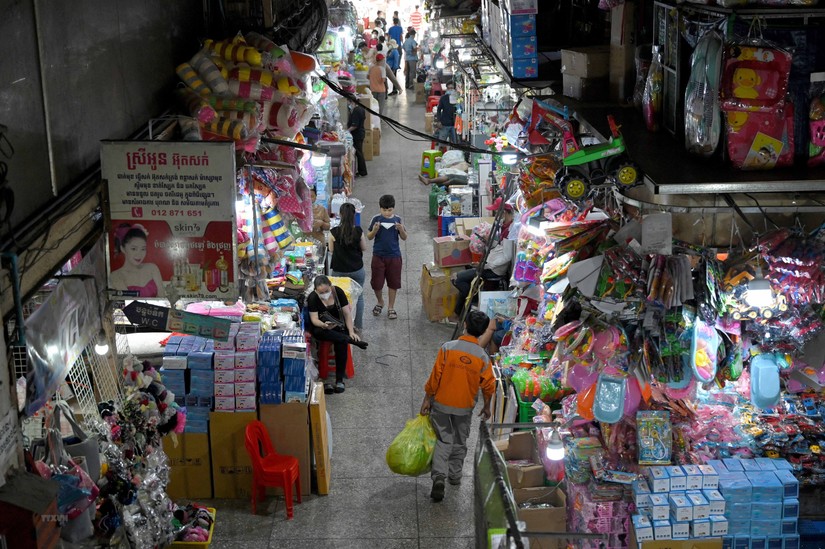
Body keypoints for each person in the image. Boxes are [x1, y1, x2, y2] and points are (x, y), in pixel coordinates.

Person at [420, 309, 495, 502]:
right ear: (482, 331)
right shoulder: (483, 357)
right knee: (460, 440)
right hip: (464, 407)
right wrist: (487, 406)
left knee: (444, 439)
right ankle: (455, 475)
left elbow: (435, 377)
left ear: (465, 325)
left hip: (442, 404)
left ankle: (439, 476)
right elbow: (489, 386)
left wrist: (427, 399)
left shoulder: (448, 347)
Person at [452, 197, 515, 318]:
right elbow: (499, 248)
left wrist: (487, 265)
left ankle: (468, 306)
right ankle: (463, 309)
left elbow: (507, 256)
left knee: (459, 279)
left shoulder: (509, 231)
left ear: (504, 212)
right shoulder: (503, 225)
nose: (496, 214)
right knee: (460, 277)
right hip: (489, 263)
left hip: (494, 270)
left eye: (497, 212)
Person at [306, 275, 368, 394]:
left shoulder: (338, 292)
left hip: (339, 326)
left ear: (331, 286)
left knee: (341, 343)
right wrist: (324, 325)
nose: (325, 294)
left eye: (327, 291)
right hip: (322, 328)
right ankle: (349, 340)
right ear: (316, 290)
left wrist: (351, 331)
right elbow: (314, 319)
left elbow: (347, 314)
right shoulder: (313, 298)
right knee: (324, 333)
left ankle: (339, 379)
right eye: (321, 292)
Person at [367, 194, 406, 320]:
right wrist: (375, 230)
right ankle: (380, 302)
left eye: (389, 210)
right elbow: (369, 236)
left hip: (394, 256)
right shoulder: (376, 219)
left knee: (393, 283)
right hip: (378, 255)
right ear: (380, 208)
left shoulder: (398, 220)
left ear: (393, 209)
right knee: (376, 283)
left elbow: (405, 237)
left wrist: (401, 230)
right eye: (384, 210)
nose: (387, 213)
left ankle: (391, 307)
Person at [329, 203, 366, 331]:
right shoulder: (358, 231)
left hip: (339, 271)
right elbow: (364, 248)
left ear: (340, 215)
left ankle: (341, 325)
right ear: (354, 215)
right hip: (357, 270)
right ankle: (358, 325)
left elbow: (331, 250)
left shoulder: (333, 232)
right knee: (358, 297)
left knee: (338, 299)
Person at [110, 223, 165, 298]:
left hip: (157, 309)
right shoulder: (116, 275)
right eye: (134, 249)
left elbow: (162, 296)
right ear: (123, 248)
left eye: (143, 249)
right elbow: (128, 303)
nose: (139, 254)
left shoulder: (152, 268)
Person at [347, 101, 368, 177]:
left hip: (357, 135)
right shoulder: (361, 108)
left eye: (349, 102)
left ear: (352, 101)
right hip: (360, 133)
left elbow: (355, 125)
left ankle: (362, 171)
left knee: (359, 153)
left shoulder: (356, 111)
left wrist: (347, 131)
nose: (348, 104)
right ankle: (361, 171)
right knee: (359, 153)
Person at [309, 187, 331, 252]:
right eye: (307, 197)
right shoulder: (301, 211)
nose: (309, 199)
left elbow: (328, 226)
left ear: (316, 197)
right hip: (305, 244)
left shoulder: (322, 209)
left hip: (319, 242)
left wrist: (322, 223)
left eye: (312, 196)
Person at [368, 53, 387, 120]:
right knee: (380, 105)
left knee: (373, 105)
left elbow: (368, 77)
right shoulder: (382, 69)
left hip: (373, 89)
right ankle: (379, 119)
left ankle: (373, 118)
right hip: (381, 90)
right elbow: (383, 80)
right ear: (381, 60)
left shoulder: (371, 68)